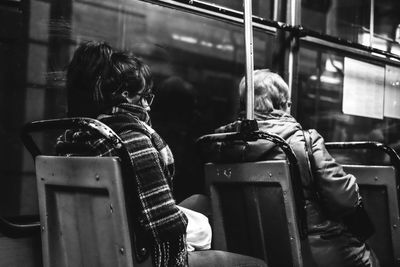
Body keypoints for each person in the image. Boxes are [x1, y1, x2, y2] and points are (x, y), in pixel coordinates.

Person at [60, 41, 267, 267]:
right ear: (123, 95)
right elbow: (163, 224)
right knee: (255, 264)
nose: (148, 107)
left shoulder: (73, 139)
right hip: (141, 254)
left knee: (201, 202)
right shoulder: (132, 138)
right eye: (145, 96)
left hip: (99, 242)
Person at [214, 69, 380, 267]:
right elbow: (344, 199)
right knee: (370, 260)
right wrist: (352, 183)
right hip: (311, 247)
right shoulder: (305, 142)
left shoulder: (220, 145)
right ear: (283, 104)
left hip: (247, 243)